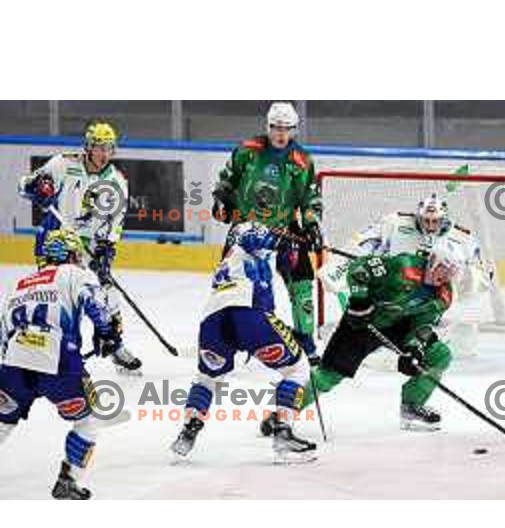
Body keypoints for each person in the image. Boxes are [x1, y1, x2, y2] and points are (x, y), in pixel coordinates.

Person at [262, 239, 463, 435]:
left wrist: (413, 347)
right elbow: (360, 268)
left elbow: (423, 325)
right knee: (327, 376)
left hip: (398, 325)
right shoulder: (403, 266)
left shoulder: (443, 296)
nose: (446, 277)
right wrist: (359, 301)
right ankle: (282, 415)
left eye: (452, 273)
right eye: (445, 269)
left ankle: (412, 406)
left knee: (439, 354)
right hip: (362, 320)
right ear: (434, 260)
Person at [170, 222, 317, 463]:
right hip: (248, 317)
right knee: (297, 368)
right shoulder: (245, 241)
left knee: (206, 380)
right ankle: (283, 434)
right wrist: (294, 241)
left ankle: (187, 434)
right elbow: (254, 237)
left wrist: (286, 332)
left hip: (212, 323)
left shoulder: (231, 261)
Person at [0, 228, 122, 499]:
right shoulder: (74, 273)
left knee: (3, 422)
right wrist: (108, 334)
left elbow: (3, 332)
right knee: (88, 420)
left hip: (13, 362)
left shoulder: (20, 283)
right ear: (70, 254)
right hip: (58, 361)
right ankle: (69, 478)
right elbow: (95, 303)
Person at [18, 122, 141, 371]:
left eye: (109, 148)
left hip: (89, 245)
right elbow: (25, 185)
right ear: (88, 146)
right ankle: (47, 348)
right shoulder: (62, 164)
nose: (104, 154)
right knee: (57, 294)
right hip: (56, 240)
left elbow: (115, 222)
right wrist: (37, 189)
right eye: (99, 147)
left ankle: (114, 345)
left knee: (108, 294)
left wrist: (106, 250)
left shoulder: (117, 181)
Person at [211, 102, 323, 364]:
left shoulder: (302, 161)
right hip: (246, 230)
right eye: (275, 127)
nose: (280, 134)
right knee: (230, 283)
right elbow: (227, 179)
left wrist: (311, 223)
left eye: (286, 128)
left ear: (294, 129)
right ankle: (228, 337)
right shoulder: (248, 151)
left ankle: (304, 337)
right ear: (268, 127)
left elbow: (310, 197)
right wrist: (222, 199)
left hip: (283, 228)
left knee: (303, 281)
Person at [320, 194, 494, 357]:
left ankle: (415, 337)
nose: (430, 225)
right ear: (417, 216)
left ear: (444, 220)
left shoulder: (463, 239)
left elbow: (481, 273)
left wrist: (467, 277)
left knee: (426, 314)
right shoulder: (395, 223)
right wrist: (341, 265)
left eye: (435, 221)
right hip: (393, 284)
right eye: (426, 220)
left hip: (432, 293)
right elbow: (364, 241)